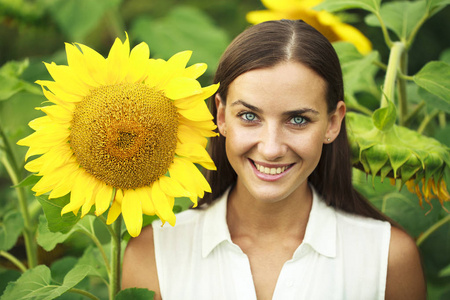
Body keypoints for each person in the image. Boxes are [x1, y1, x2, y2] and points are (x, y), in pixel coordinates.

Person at [122, 20, 426, 300]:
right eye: (249, 116)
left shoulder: (387, 258)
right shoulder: (155, 252)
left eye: (297, 119)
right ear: (221, 115)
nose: (270, 148)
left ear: (333, 123)